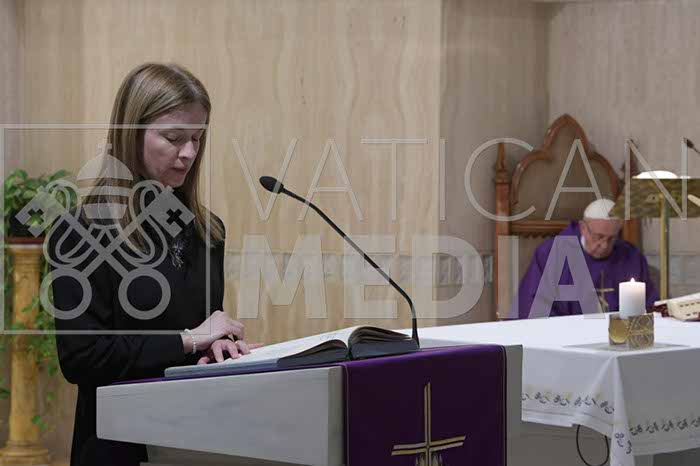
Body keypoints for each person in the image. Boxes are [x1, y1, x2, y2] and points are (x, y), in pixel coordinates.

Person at [47, 63, 257, 466]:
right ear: (131, 134)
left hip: (194, 439)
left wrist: (219, 345)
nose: (189, 153)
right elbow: (82, 357)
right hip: (117, 446)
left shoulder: (208, 231)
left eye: (197, 138)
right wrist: (190, 339)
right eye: (174, 138)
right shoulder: (80, 231)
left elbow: (202, 329)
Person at [509, 198, 659, 319]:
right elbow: (535, 306)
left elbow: (648, 306)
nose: (604, 245)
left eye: (611, 238)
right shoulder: (552, 254)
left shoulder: (630, 257)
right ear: (583, 228)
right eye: (599, 237)